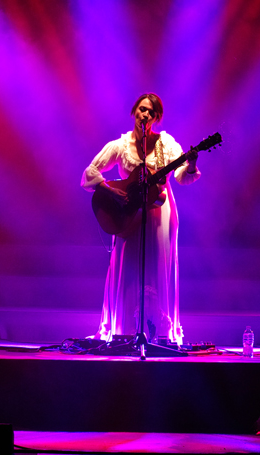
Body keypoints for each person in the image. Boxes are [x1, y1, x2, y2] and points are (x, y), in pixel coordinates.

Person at [81, 92, 201, 344]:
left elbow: (181, 176)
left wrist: (189, 165)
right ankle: (124, 330)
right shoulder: (121, 145)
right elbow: (90, 171)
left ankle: (159, 333)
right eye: (142, 109)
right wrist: (112, 190)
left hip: (160, 215)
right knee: (127, 266)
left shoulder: (166, 145)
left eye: (150, 112)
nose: (145, 115)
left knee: (157, 265)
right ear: (134, 111)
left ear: (156, 118)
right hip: (128, 213)